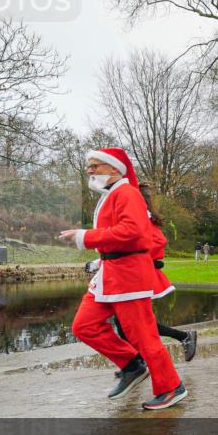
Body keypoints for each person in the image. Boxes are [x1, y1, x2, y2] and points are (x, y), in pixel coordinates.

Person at [59, 147, 188, 410]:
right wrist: (99, 258)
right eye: (90, 166)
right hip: (111, 275)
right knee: (83, 326)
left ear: (114, 168)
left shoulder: (127, 193)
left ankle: (171, 387)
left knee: (144, 336)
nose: (90, 171)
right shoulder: (113, 195)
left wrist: (85, 236)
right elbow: (124, 237)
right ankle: (132, 365)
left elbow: (133, 232)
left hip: (129, 277)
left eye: (95, 166)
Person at [95, 182, 198, 364]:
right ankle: (139, 361)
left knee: (135, 325)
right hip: (126, 276)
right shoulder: (137, 217)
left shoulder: (143, 219)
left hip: (137, 277)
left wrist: (139, 257)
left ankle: (141, 361)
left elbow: (157, 242)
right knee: (128, 325)